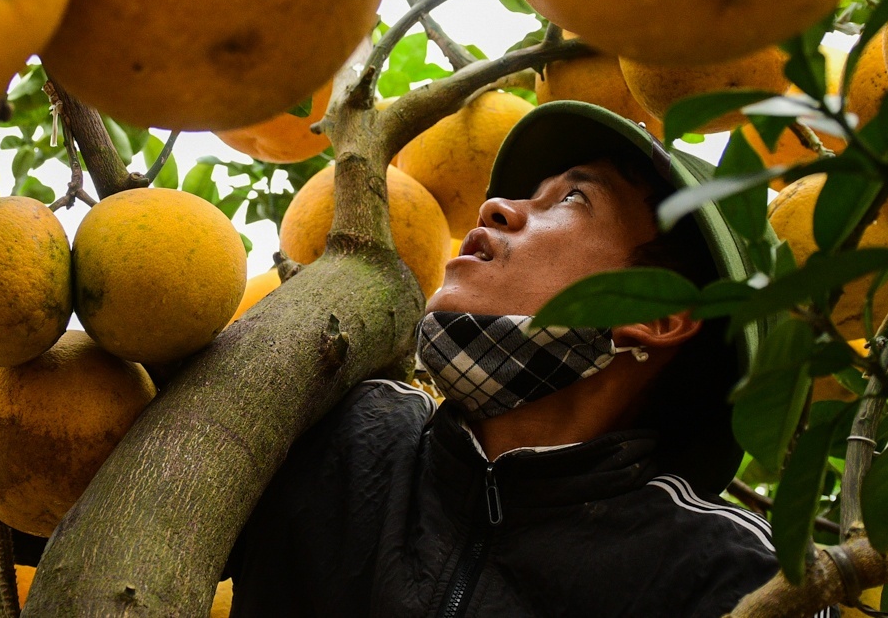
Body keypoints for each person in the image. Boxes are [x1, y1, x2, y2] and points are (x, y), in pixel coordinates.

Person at [224, 101, 778, 618]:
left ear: (657, 311)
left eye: (570, 199)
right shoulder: (334, 430)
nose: (497, 207)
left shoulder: (728, 575)